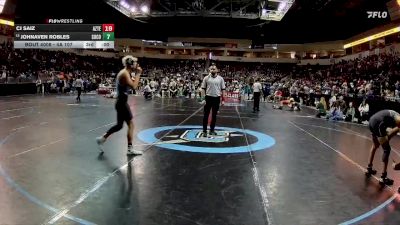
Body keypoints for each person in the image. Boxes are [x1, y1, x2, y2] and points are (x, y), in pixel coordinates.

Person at [96, 55, 143, 155]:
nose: (137, 64)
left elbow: (132, 84)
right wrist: (138, 73)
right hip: (121, 103)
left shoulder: (126, 73)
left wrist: (135, 74)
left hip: (121, 102)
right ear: (130, 63)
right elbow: (134, 86)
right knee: (131, 125)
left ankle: (102, 139)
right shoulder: (124, 74)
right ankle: (130, 149)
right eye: (135, 62)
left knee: (119, 126)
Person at [365, 110, 400, 186]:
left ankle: (369, 168)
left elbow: (389, 133)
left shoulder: (394, 116)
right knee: (387, 150)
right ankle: (383, 177)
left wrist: (385, 140)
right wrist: (385, 141)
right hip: (378, 124)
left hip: (372, 121)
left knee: (375, 145)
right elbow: (390, 133)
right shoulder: (398, 118)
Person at [200, 64, 225, 137]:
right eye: (211, 69)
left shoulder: (220, 79)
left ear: (217, 70)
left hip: (216, 98)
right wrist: (203, 98)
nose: (213, 70)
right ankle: (204, 131)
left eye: (214, 69)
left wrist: (223, 100)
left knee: (214, 115)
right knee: (206, 115)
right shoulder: (206, 78)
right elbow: (203, 89)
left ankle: (212, 130)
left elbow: (223, 89)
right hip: (208, 98)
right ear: (209, 70)